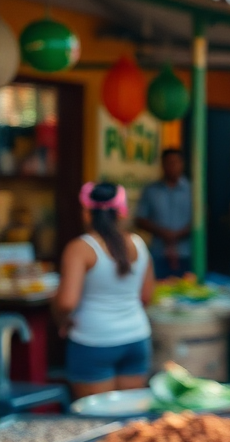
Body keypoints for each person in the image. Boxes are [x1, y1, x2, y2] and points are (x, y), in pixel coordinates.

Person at [53, 183, 154, 401]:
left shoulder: (80, 248)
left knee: (96, 422)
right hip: (136, 338)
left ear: (87, 212)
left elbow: (66, 303)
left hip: (93, 340)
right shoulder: (138, 243)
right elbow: (146, 296)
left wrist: (62, 321)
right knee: (131, 420)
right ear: (121, 211)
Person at [135, 149, 192, 279]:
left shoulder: (192, 190)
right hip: (158, 252)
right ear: (162, 164)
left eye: (175, 162)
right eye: (168, 163)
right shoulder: (151, 191)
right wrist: (163, 233)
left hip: (186, 252)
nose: (172, 166)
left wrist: (178, 234)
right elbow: (140, 219)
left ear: (182, 164)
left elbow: (201, 219)